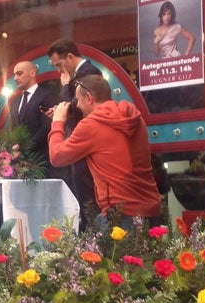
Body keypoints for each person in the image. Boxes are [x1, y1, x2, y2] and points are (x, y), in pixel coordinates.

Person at [48, 75, 162, 228]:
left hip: (121, 213)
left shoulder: (91, 125)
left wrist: (57, 122)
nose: (78, 106)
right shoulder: (133, 115)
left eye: (78, 100)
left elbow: (57, 156)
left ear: (88, 97)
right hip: (151, 207)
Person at [47, 39, 102, 231]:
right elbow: (71, 104)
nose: (59, 71)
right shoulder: (79, 74)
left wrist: (64, 86)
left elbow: (77, 106)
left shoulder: (89, 73)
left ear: (70, 56)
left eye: (59, 65)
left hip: (86, 141)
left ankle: (91, 237)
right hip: (79, 141)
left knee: (88, 198)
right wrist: (59, 108)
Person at [9, 61, 54, 172]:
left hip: (42, 160)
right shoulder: (14, 101)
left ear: (32, 73)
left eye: (19, 73)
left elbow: (46, 127)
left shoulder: (46, 95)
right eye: (14, 74)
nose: (15, 78)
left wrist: (24, 149)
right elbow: (13, 128)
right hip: (19, 163)